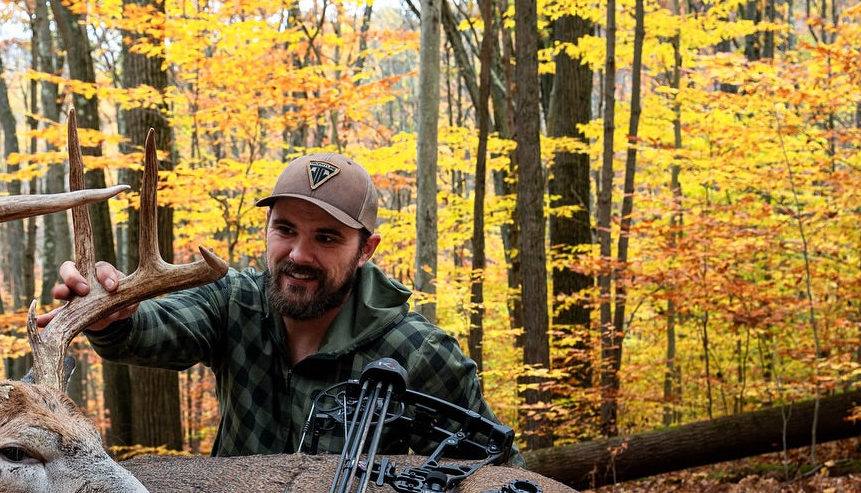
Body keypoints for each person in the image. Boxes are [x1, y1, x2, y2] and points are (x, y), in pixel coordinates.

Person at [46, 151, 522, 464]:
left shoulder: (416, 353)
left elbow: (498, 476)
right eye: (286, 229)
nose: (298, 255)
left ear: (367, 249)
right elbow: (157, 328)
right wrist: (114, 316)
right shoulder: (235, 302)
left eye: (327, 238)